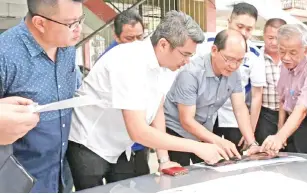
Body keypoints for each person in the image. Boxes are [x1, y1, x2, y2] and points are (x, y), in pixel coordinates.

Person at [67, 11, 226, 191]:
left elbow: (157, 108)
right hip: (90, 143)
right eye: (185, 54)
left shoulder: (166, 66)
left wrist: (164, 160)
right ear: (164, 44)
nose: (187, 62)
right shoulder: (130, 61)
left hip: (119, 146)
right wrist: (196, 147)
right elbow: (139, 132)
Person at [0, 0, 84, 192]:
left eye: (80, 20)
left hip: (61, 173)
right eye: (71, 23)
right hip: (21, 181)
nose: (78, 29)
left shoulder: (67, 46)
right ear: (40, 23)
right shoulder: (5, 55)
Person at [164, 29, 261, 166]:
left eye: (239, 60)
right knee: (181, 178)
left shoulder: (234, 73)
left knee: (209, 173)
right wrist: (219, 141)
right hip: (177, 133)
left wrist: (252, 143)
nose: (233, 66)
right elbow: (186, 120)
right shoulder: (191, 73)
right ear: (214, 50)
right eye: (229, 59)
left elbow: (240, 108)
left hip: (204, 131)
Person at [75, 9, 150, 183]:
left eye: (140, 37)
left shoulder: (144, 57)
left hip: (133, 142)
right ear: (116, 36)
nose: (135, 43)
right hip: (101, 142)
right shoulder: (112, 61)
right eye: (129, 39)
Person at [261, 24, 307, 156]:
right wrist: (280, 129)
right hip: (290, 123)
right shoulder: (286, 65)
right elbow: (283, 100)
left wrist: (280, 137)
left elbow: (302, 110)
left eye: (293, 52)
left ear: (306, 50)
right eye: (282, 51)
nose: (286, 57)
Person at [206, 2, 266, 147]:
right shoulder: (206, 43)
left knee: (233, 160)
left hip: (234, 119)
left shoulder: (255, 55)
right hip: (205, 116)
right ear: (229, 22)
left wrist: (249, 132)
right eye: (239, 27)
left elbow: (257, 95)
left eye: (249, 29)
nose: (243, 32)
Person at [255, 18, 287, 144]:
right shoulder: (256, 58)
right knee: (265, 151)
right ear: (264, 36)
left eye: (277, 38)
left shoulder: (290, 59)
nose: (274, 42)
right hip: (265, 115)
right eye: (270, 37)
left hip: (289, 115)